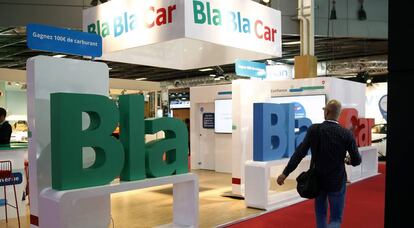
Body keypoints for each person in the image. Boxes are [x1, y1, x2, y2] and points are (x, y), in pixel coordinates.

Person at [276, 100, 361, 228]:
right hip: (337, 181)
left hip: (317, 180)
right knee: (335, 219)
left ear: (326, 112)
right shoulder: (346, 134)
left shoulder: (314, 130)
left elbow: (300, 153)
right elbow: (357, 160)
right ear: (338, 114)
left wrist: (285, 173)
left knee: (320, 214)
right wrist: (347, 160)